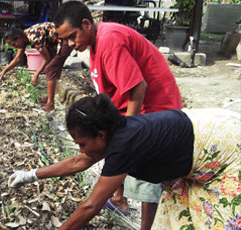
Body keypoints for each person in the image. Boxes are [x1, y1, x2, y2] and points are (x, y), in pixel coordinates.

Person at [9, 94, 241, 230]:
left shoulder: (123, 146)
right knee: (175, 218)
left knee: (223, 219)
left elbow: (91, 206)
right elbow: (79, 161)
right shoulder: (118, 132)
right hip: (206, 132)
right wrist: (30, 175)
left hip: (228, 148)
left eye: (82, 143)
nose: (81, 150)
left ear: (101, 135)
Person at [52, 1, 183, 229]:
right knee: (120, 151)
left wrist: (129, 131)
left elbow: (138, 88)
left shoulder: (109, 40)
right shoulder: (96, 42)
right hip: (138, 106)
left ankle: (146, 226)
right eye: (66, 40)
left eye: (72, 36)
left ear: (86, 24)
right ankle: (119, 199)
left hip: (155, 108)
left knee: (146, 176)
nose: (71, 44)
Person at [0, 22, 73, 112]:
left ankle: (50, 104)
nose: (14, 47)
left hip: (65, 40)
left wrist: (36, 74)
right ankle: (49, 98)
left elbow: (46, 58)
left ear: (19, 37)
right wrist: (4, 71)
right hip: (55, 42)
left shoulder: (34, 38)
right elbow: (17, 59)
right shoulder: (23, 38)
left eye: (14, 44)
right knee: (51, 69)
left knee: (50, 68)